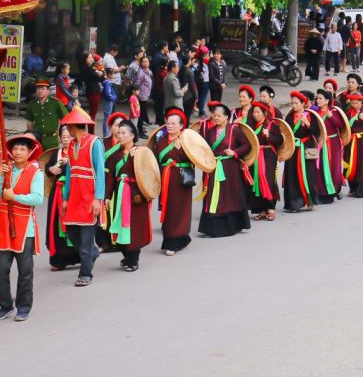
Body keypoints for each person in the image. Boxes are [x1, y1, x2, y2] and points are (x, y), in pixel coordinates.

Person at [0, 134, 45, 321]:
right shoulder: (6, 171)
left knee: (25, 271)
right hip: (4, 225)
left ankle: (24, 307)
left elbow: (37, 198)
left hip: (24, 228)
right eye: (15, 148)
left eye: (22, 149)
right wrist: (1, 176)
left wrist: (15, 197)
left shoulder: (36, 173)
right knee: (1, 269)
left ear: (29, 152)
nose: (18, 152)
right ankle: (5, 306)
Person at [59, 107, 105, 287]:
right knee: (71, 232)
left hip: (89, 196)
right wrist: (65, 197)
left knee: (86, 238)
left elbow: (100, 172)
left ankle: (86, 273)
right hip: (74, 197)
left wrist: (97, 199)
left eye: (67, 127)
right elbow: (70, 172)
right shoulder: (70, 145)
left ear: (72, 127)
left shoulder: (95, 143)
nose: (66, 131)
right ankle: (92, 253)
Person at [104, 120, 152, 272]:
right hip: (119, 194)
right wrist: (107, 196)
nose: (120, 136)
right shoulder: (114, 155)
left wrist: (134, 159)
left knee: (134, 227)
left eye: (124, 133)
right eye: (119, 133)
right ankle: (126, 255)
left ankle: (133, 259)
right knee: (119, 226)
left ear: (132, 135)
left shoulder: (141, 152)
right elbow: (110, 177)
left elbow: (149, 175)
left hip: (136, 196)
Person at [197, 102, 252, 238]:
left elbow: (246, 145)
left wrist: (234, 152)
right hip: (214, 167)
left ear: (227, 116)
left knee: (230, 195)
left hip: (230, 169)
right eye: (214, 115)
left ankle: (233, 225)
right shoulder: (209, 132)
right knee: (213, 195)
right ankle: (212, 228)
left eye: (219, 116)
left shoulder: (234, 130)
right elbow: (204, 148)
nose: (216, 118)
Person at [152, 109, 194, 256]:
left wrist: (181, 150)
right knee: (168, 209)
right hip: (166, 178)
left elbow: (195, 160)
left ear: (181, 125)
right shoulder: (161, 140)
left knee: (179, 210)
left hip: (181, 179)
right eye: (168, 122)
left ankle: (175, 241)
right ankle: (173, 238)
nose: (170, 126)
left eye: (174, 123)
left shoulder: (187, 140)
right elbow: (155, 160)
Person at [44, 126, 80, 272]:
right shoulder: (56, 153)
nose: (66, 139)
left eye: (68, 136)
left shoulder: (77, 152)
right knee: (55, 224)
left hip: (73, 192)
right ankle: (58, 260)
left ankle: (78, 255)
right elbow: (47, 166)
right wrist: (50, 169)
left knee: (74, 223)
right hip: (57, 192)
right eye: (63, 137)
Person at [282, 91, 315, 212]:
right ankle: (293, 204)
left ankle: (308, 201)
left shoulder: (310, 115)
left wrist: (307, 123)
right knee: (292, 175)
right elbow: (286, 132)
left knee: (307, 175)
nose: (294, 105)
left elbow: (316, 131)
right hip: (293, 149)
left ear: (303, 103)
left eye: (296, 103)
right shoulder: (290, 116)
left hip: (306, 148)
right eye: (292, 103)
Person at [248, 102, 282, 220]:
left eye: (258, 112)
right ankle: (261, 209)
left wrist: (269, 136)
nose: (255, 114)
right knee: (256, 179)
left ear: (265, 113)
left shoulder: (272, 124)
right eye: (254, 112)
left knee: (267, 179)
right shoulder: (252, 125)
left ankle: (270, 207)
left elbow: (279, 140)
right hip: (256, 154)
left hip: (268, 154)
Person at [311, 89, 344, 204]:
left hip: (332, 143)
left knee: (332, 167)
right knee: (318, 168)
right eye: (317, 98)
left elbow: (340, 125)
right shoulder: (315, 113)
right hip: (319, 143)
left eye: (320, 98)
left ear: (327, 100)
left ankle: (332, 191)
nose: (318, 101)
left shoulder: (334, 111)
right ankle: (320, 192)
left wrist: (331, 116)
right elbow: (314, 130)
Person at [25, 77, 68, 151]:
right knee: (37, 160)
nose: (40, 91)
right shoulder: (32, 104)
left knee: (52, 160)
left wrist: (62, 131)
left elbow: (66, 118)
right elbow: (29, 123)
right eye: (38, 89)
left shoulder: (55, 103)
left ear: (48, 91)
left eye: (43, 89)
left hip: (52, 140)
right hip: (37, 139)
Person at [135, 56, 153, 133]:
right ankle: (140, 131)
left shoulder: (148, 71)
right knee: (142, 113)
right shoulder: (141, 72)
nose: (146, 63)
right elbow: (136, 84)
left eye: (147, 62)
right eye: (144, 62)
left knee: (143, 113)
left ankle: (141, 127)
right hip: (141, 95)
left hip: (146, 94)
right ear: (141, 63)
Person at [100, 69, 119, 137]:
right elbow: (108, 93)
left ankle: (106, 132)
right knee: (107, 117)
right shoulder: (107, 83)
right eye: (112, 74)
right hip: (108, 101)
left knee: (107, 116)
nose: (113, 75)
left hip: (108, 101)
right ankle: (106, 133)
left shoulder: (107, 82)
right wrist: (113, 98)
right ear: (109, 75)